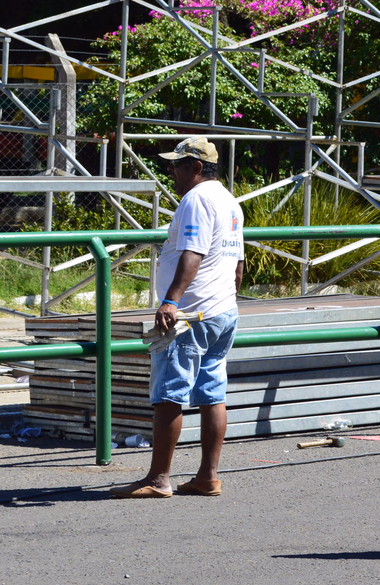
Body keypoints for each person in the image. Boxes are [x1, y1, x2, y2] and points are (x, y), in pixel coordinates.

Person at [110, 137, 245, 498]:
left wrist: (171, 301)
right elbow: (239, 265)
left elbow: (193, 253)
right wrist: (226, 297)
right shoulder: (230, 202)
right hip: (221, 311)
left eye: (178, 164)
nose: (172, 170)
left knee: (169, 394)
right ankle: (207, 476)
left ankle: (158, 479)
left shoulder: (197, 199)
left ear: (197, 167)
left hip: (191, 314)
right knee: (212, 394)